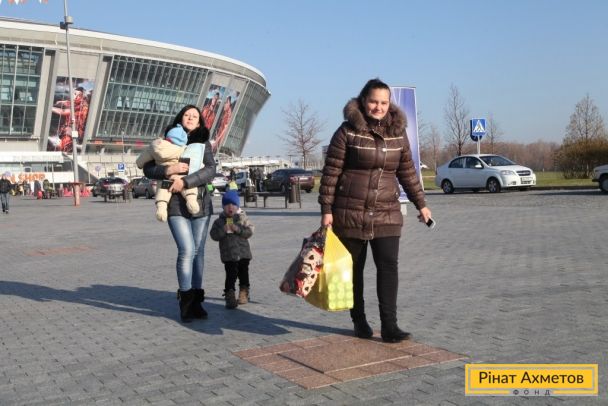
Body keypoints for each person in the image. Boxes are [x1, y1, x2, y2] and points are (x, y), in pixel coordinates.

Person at [318, 78, 432, 343]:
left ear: (389, 104)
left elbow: (407, 172)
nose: (378, 107)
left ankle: (390, 326)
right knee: (354, 270)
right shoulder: (347, 131)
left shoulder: (398, 133)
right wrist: (326, 209)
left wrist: (421, 204)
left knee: (388, 266)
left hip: (386, 211)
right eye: (373, 101)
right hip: (350, 210)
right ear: (363, 101)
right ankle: (359, 320)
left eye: (383, 102)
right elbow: (331, 172)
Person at [142, 105, 215, 323]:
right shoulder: (167, 140)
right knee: (187, 250)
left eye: (195, 116)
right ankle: (185, 300)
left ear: (199, 122)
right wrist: (168, 170)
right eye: (187, 115)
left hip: (200, 203)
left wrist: (186, 181)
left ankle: (197, 301)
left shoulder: (203, 143)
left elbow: (210, 170)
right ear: (180, 118)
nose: (190, 118)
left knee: (198, 253)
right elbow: (147, 168)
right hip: (174, 203)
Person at [136, 124, 200, 222]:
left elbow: (140, 162)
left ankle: (161, 210)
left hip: (165, 179)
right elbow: (199, 165)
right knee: (189, 189)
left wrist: (166, 170)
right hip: (181, 176)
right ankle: (192, 202)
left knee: (162, 191)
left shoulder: (154, 147)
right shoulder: (183, 148)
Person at [209, 189, 254, 309]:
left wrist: (238, 229)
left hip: (243, 254)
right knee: (230, 275)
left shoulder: (242, 218)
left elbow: (250, 231)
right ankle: (229, 295)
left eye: (233, 204)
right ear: (223, 207)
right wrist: (223, 230)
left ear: (237, 207)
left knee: (243, 274)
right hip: (228, 255)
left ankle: (244, 292)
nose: (230, 207)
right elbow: (213, 235)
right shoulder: (219, 222)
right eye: (227, 204)